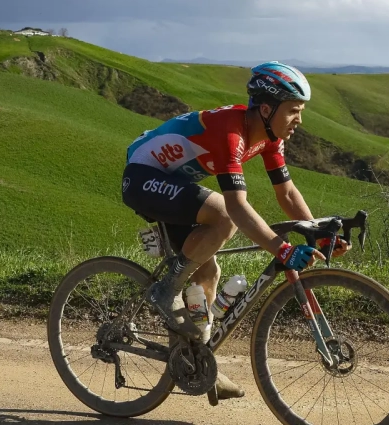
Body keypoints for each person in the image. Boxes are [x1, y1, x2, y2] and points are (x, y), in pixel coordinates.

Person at [121, 61, 350, 398]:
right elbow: (237, 207)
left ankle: (197, 360)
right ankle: (165, 288)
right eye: (294, 111)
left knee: (208, 274)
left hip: (175, 181)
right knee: (224, 218)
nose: (299, 120)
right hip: (143, 177)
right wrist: (282, 249)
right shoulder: (230, 132)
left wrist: (318, 231)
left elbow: (286, 193)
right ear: (268, 108)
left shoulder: (270, 136)